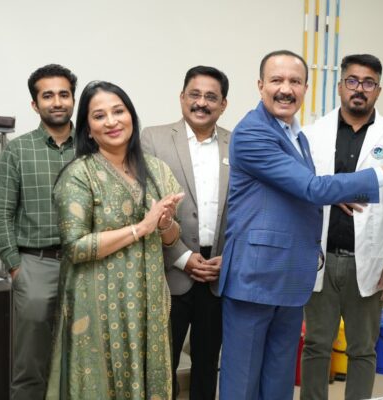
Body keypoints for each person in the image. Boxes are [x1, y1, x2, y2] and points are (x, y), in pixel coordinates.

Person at [217, 49, 383, 400]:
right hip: (256, 277)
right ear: (260, 85)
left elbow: (297, 188)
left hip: (291, 276)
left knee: (278, 381)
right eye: (277, 80)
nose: (286, 89)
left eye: (295, 81)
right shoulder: (253, 133)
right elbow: (311, 187)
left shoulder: (295, 135)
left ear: (306, 88)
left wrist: (332, 196)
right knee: (244, 382)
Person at [45, 81, 184, 400]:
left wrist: (164, 224)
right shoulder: (79, 174)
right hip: (96, 303)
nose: (111, 121)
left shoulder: (157, 170)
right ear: (88, 129)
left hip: (148, 300)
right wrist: (142, 227)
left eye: (118, 111)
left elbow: (170, 238)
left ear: (131, 116)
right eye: (99, 116)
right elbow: (75, 247)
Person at [300, 54, 383, 400]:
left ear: (378, 90)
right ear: (341, 86)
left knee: (363, 348)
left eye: (368, 83)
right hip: (321, 257)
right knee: (316, 344)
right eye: (353, 81)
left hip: (369, 259)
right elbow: (302, 190)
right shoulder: (312, 134)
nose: (360, 89)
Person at [0, 63, 77, 400]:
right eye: (48, 95)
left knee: (80, 360)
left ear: (73, 99)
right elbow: (0, 214)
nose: (57, 102)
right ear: (35, 104)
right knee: (31, 365)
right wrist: (16, 267)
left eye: (64, 94)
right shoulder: (18, 150)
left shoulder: (93, 147)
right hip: (36, 265)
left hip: (86, 264)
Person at [141, 65, 230, 399]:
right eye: (195, 94)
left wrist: (228, 258)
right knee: (163, 365)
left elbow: (245, 210)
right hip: (170, 268)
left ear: (223, 104)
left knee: (208, 364)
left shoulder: (237, 144)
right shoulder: (153, 138)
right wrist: (181, 256)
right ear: (182, 97)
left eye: (211, 97)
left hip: (218, 270)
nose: (201, 103)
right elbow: (145, 202)